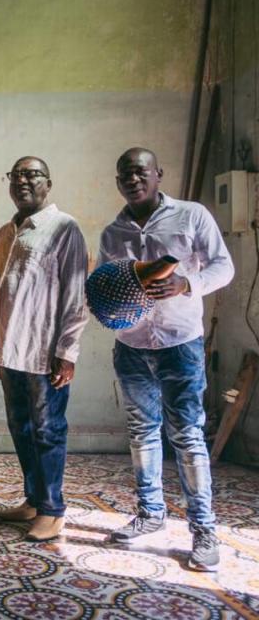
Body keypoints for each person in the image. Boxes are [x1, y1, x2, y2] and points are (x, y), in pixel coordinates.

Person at [99, 147, 233, 571]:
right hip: (132, 346)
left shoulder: (192, 215)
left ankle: (204, 530)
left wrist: (185, 283)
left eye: (141, 171)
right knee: (141, 433)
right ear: (118, 181)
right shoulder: (112, 232)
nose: (133, 179)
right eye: (125, 174)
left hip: (181, 345)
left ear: (159, 173)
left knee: (188, 437)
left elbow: (223, 267)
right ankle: (151, 514)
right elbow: (106, 286)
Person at [0, 156, 88, 541]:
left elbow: (75, 296)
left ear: (49, 182)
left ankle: (52, 509)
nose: (23, 181)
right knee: (21, 427)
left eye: (32, 174)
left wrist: (68, 351)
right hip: (10, 351)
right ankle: (33, 499)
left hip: (44, 352)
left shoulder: (64, 228)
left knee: (48, 429)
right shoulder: (5, 232)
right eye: (16, 175)